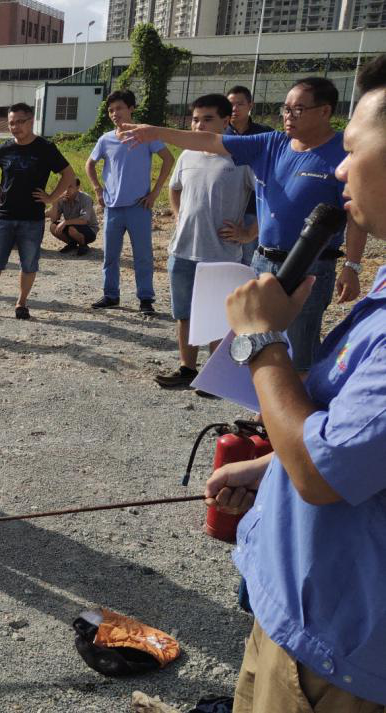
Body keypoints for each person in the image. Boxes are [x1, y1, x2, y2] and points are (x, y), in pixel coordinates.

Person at [202, 53, 386, 713]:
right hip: (292, 622)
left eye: (355, 149)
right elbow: (347, 438)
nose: (339, 167)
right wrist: (265, 461)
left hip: (337, 659)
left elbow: (323, 472)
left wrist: (258, 341)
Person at [120, 75, 367, 373]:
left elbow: (356, 215)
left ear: (325, 111)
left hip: (312, 267)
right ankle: (264, 414)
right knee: (260, 343)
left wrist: (352, 267)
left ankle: (300, 415)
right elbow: (210, 141)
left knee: (300, 349)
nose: (288, 116)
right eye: (285, 109)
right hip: (264, 262)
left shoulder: (343, 156)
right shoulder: (272, 144)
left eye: (298, 109)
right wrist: (153, 133)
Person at [153, 94, 256, 390]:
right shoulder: (187, 155)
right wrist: (178, 214)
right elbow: (175, 189)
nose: (199, 125)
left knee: (218, 316)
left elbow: (266, 199)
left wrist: (249, 233)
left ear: (227, 120)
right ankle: (187, 369)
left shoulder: (240, 157)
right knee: (184, 313)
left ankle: (216, 376)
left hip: (221, 252)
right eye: (195, 119)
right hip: (183, 249)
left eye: (207, 118)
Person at [0, 103, 75, 320]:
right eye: (11, 123)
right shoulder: (5, 148)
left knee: (29, 263)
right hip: (5, 215)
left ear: (31, 121)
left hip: (32, 218)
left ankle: (21, 303)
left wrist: (51, 198)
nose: (15, 127)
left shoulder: (45, 148)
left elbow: (68, 174)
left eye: (20, 122)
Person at [86, 89, 175, 314]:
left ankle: (146, 299)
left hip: (139, 206)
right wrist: (97, 189)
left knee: (143, 256)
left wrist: (155, 193)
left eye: (120, 108)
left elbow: (168, 159)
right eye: (111, 110)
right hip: (113, 207)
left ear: (131, 108)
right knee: (110, 256)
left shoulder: (144, 135)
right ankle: (110, 295)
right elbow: (90, 164)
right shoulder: (105, 139)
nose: (115, 113)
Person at [227, 85, 273, 264]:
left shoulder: (265, 134)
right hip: (227, 205)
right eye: (230, 104)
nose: (234, 109)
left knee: (250, 256)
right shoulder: (220, 134)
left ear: (250, 105)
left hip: (253, 206)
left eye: (240, 104)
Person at [48, 178, 97, 256]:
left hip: (89, 230)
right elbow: (54, 219)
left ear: (77, 188)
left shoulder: (86, 198)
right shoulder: (61, 199)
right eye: (64, 186)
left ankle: (83, 245)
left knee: (72, 229)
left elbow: (85, 220)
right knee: (53, 227)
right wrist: (55, 202)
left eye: (70, 186)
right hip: (71, 226)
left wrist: (65, 222)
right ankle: (72, 244)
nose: (66, 189)